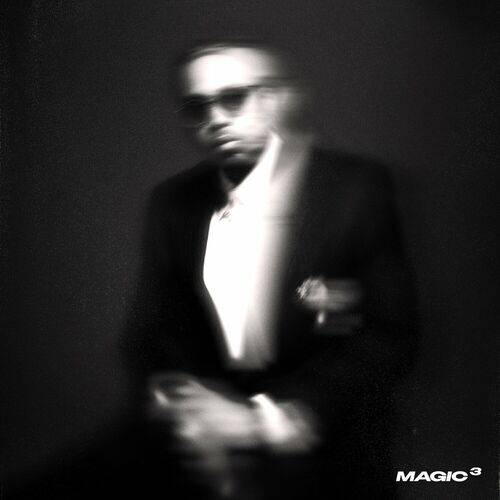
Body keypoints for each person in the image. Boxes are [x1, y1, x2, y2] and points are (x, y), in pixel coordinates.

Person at [127, 41, 418, 500]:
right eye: (197, 107)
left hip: (331, 463)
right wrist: (187, 408)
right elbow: (152, 331)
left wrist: (265, 421)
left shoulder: (357, 188)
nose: (215, 119)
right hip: (207, 467)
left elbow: (390, 334)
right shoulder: (172, 202)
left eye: (232, 98)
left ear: (276, 99)